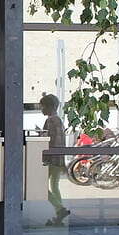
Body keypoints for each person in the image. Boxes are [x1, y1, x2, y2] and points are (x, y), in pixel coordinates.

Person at [41, 93, 72, 226]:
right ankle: (59, 214)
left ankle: (60, 209)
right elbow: (61, 141)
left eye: (42, 106)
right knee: (54, 186)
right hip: (58, 159)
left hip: (51, 159)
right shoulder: (59, 120)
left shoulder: (50, 121)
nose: (41, 109)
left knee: (41, 186)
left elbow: (49, 141)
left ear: (50, 107)